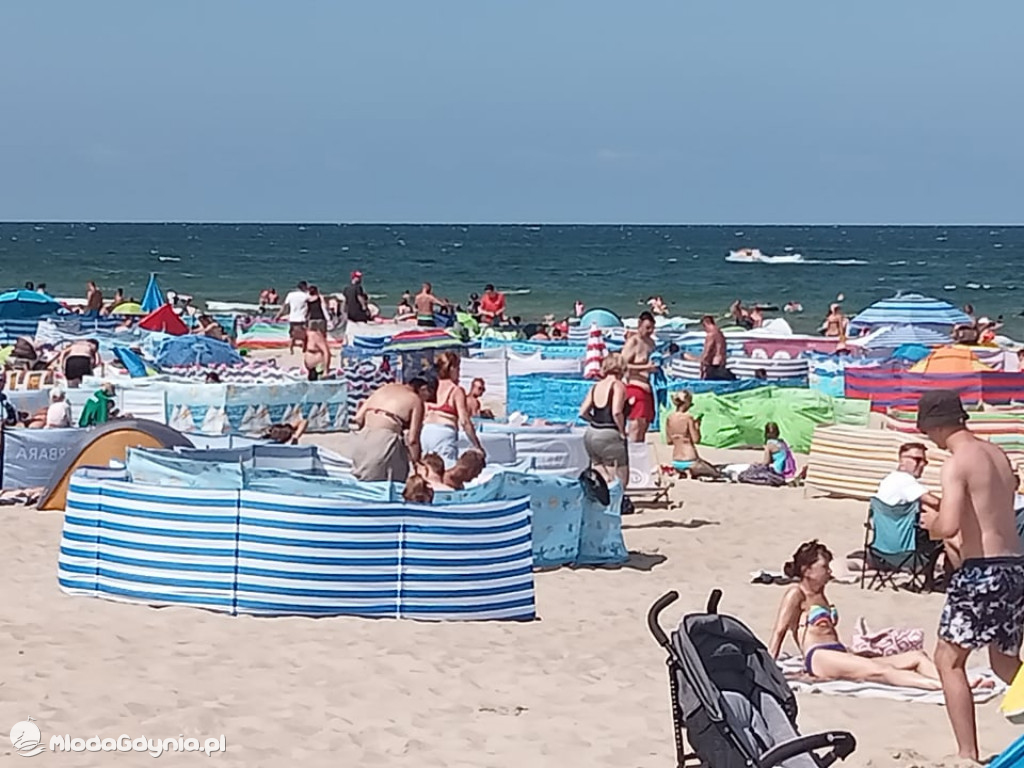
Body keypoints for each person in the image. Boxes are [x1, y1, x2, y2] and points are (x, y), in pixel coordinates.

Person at [916, 389, 1024, 761]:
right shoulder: (996, 454)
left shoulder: (956, 462)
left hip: (983, 572)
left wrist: (931, 522)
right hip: (1014, 566)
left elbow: (948, 526)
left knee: (948, 660)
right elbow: (989, 512)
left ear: (934, 426)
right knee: (1005, 661)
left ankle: (966, 753)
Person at [768, 540, 980, 691]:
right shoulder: (796, 594)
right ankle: (944, 688)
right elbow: (779, 632)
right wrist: (769, 670)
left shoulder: (820, 593)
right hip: (819, 657)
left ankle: (955, 683)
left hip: (838, 651)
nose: (829, 572)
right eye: (824, 568)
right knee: (881, 670)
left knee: (916, 657)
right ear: (807, 570)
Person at [350, 377, 431, 482]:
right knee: (392, 480)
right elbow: (413, 440)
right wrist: (417, 464)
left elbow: (358, 418)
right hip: (384, 441)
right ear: (423, 389)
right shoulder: (415, 400)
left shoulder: (384, 389)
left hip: (363, 438)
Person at [420, 352, 485, 467]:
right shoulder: (455, 390)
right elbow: (464, 421)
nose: (459, 372)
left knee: (427, 469)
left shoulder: (431, 386)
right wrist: (477, 445)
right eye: (458, 368)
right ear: (451, 368)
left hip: (426, 432)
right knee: (446, 470)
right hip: (443, 432)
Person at [579, 353, 629, 489]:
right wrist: (622, 431)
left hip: (591, 433)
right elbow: (616, 411)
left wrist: (594, 420)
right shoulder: (618, 386)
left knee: (598, 465)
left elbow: (582, 412)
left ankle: (606, 483)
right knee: (620, 473)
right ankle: (617, 500)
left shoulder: (596, 386)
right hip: (609, 433)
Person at [621, 311, 657, 442]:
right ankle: (630, 457)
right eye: (647, 328)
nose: (650, 331)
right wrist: (645, 367)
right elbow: (622, 365)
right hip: (635, 386)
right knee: (635, 427)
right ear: (639, 325)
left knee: (644, 426)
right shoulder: (633, 342)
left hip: (648, 389)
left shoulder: (651, 343)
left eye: (652, 328)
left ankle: (639, 458)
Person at [876, 442, 940, 508]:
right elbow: (934, 502)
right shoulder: (902, 479)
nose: (922, 464)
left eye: (924, 461)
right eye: (918, 459)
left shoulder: (892, 478)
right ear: (902, 460)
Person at [665, 391, 705, 478]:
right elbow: (696, 440)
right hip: (690, 458)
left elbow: (669, 441)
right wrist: (697, 427)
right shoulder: (688, 418)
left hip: (676, 460)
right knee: (714, 472)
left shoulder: (669, 418)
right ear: (687, 403)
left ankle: (681, 471)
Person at [304, 286, 332, 378]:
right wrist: (328, 318)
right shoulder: (320, 298)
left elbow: (307, 311)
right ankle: (322, 347)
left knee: (312, 336)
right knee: (322, 336)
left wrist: (306, 319)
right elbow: (324, 307)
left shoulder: (308, 299)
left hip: (312, 319)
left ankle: (320, 350)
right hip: (320, 318)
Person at [277, 281, 309, 354]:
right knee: (305, 336)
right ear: (304, 287)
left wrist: (278, 315)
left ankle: (291, 350)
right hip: (302, 318)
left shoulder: (291, 295)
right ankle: (304, 349)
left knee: (292, 335)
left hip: (293, 318)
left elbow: (284, 306)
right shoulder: (306, 296)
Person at [699, 315, 733, 381]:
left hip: (714, 365)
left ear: (705, 323)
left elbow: (707, 352)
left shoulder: (711, 334)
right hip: (722, 363)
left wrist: (702, 365)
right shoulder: (720, 333)